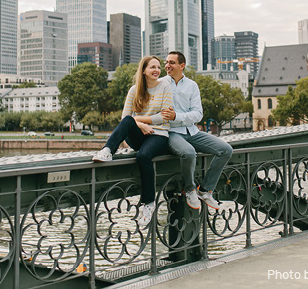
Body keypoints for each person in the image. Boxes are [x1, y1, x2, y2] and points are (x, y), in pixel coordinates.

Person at [91, 55, 173, 225]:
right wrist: (141, 126)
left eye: (158, 67)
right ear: (143, 70)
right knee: (128, 121)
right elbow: (125, 118)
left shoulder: (165, 86)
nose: (157, 70)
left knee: (143, 156)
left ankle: (149, 204)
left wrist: (141, 120)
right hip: (139, 134)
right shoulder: (134, 90)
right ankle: (107, 150)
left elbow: (164, 118)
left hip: (159, 135)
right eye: (152, 67)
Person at [161, 51, 233, 210]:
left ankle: (206, 190)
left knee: (226, 150)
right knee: (189, 153)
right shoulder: (160, 83)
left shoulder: (192, 85)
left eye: (171, 63)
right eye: (166, 62)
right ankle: (190, 189)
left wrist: (176, 116)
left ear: (182, 65)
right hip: (172, 133)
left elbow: (198, 114)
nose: (167, 66)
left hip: (192, 131)